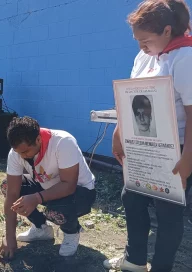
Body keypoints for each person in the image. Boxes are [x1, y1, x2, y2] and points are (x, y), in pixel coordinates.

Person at [105, 1, 192, 271]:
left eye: (146, 40)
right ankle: (134, 259)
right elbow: (132, 98)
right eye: (137, 41)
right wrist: (119, 132)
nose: (141, 46)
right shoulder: (144, 57)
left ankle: (162, 266)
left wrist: (187, 159)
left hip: (174, 148)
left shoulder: (185, 58)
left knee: (168, 213)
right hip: (141, 145)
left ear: (167, 31)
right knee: (131, 198)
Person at [0, 116, 96, 259]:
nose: (21, 156)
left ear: (38, 139)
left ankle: (71, 232)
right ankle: (41, 228)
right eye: (18, 152)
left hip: (80, 192)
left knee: (54, 211)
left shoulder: (63, 143)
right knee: (7, 186)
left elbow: (69, 185)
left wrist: (36, 198)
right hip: (45, 186)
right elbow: (12, 194)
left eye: (25, 152)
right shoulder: (16, 153)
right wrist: (9, 237)